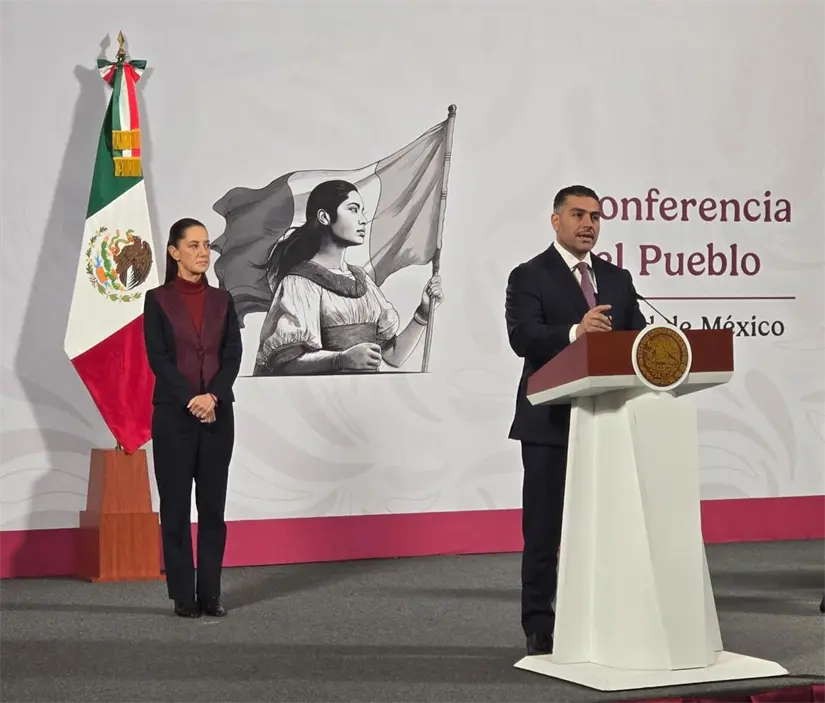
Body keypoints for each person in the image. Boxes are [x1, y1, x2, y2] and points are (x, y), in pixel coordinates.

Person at [504, 185, 647, 655]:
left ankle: (606, 619)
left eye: (596, 217)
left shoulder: (618, 278)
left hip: (605, 420)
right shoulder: (529, 275)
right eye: (579, 215)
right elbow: (523, 337)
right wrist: (575, 332)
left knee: (607, 527)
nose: (589, 224)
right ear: (556, 220)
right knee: (544, 530)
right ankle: (540, 626)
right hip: (549, 423)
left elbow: (637, 337)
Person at [143, 217, 243, 618]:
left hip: (219, 416)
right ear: (174, 252)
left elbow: (232, 355)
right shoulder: (157, 300)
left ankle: (211, 594)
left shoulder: (224, 300)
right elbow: (159, 359)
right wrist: (192, 399)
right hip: (173, 417)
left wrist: (213, 396)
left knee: (213, 510)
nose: (203, 253)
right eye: (194, 245)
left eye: (206, 246)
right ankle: (183, 595)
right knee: (176, 509)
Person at [253, 179, 443, 375]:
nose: (362, 219)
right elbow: (286, 364)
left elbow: (394, 356)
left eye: (362, 212)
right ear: (324, 217)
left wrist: (423, 313)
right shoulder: (299, 282)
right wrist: (340, 359)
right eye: (353, 209)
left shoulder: (363, 281)